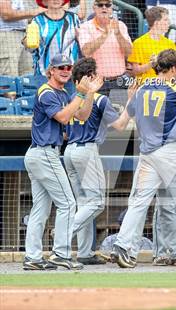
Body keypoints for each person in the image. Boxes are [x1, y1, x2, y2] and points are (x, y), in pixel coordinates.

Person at [110, 49, 176, 268]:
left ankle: (122, 245)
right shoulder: (175, 87)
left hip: (147, 152)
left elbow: (121, 123)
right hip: (168, 151)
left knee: (138, 202)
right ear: (174, 68)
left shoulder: (142, 88)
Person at [22, 53, 102, 271]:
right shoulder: (47, 92)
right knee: (68, 203)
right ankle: (61, 253)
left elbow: (82, 116)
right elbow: (64, 118)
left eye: (68, 67)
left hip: (43, 153)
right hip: (44, 154)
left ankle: (33, 257)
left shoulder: (64, 93)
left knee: (41, 208)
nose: (65, 70)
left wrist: (90, 94)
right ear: (51, 71)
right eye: (61, 68)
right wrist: (80, 93)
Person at [63, 57, 132, 265]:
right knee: (96, 202)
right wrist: (131, 101)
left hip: (69, 151)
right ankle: (63, 234)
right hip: (86, 150)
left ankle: (84, 253)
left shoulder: (71, 98)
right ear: (91, 77)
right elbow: (120, 125)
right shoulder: (99, 99)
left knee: (84, 204)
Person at [78, 0, 133, 96]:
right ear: (94, 7)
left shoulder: (121, 25)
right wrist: (105, 34)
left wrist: (118, 34)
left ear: (112, 8)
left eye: (107, 5)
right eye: (100, 5)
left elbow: (129, 52)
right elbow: (86, 51)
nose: (104, 7)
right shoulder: (85, 27)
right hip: (96, 83)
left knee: (121, 111)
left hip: (120, 82)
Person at [28, 0, 80, 86]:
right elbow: (32, 48)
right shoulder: (37, 20)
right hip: (45, 75)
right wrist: (27, 42)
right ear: (44, 1)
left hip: (69, 73)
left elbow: (81, 43)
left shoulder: (74, 18)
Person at [127, 6, 175, 84]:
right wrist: (152, 64)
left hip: (166, 86)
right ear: (156, 23)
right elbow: (135, 71)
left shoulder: (170, 44)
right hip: (146, 87)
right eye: (165, 20)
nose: (168, 22)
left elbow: (174, 70)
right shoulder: (139, 43)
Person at [0, 0, 44, 76]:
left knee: (27, 78)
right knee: (9, 77)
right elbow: (6, 14)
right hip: (7, 36)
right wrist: (35, 11)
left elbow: (24, 17)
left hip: (24, 35)